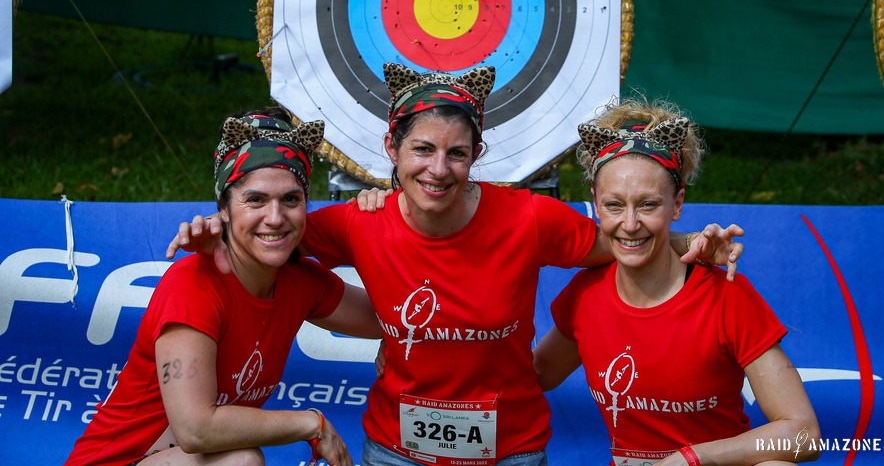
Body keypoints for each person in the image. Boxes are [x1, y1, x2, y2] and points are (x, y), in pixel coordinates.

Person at [166, 63, 745, 466]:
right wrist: (214, 228)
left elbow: (624, 237)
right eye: (421, 149)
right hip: (396, 451)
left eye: (457, 153)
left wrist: (694, 241)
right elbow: (270, 232)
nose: (438, 169)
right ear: (391, 150)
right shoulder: (358, 222)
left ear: (477, 156)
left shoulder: (529, 218)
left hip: (510, 451)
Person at [66, 108, 382, 466]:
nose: (275, 217)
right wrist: (312, 424)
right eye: (256, 200)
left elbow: (395, 317)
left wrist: (376, 224)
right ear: (225, 210)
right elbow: (196, 429)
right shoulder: (193, 283)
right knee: (241, 461)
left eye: (291, 199)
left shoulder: (301, 282)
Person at [532, 97, 820, 466]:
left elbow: (803, 434)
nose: (630, 224)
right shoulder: (586, 293)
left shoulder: (725, 296)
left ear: (678, 204)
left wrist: (692, 458)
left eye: (648, 205)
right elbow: (535, 375)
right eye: (614, 205)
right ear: (596, 203)